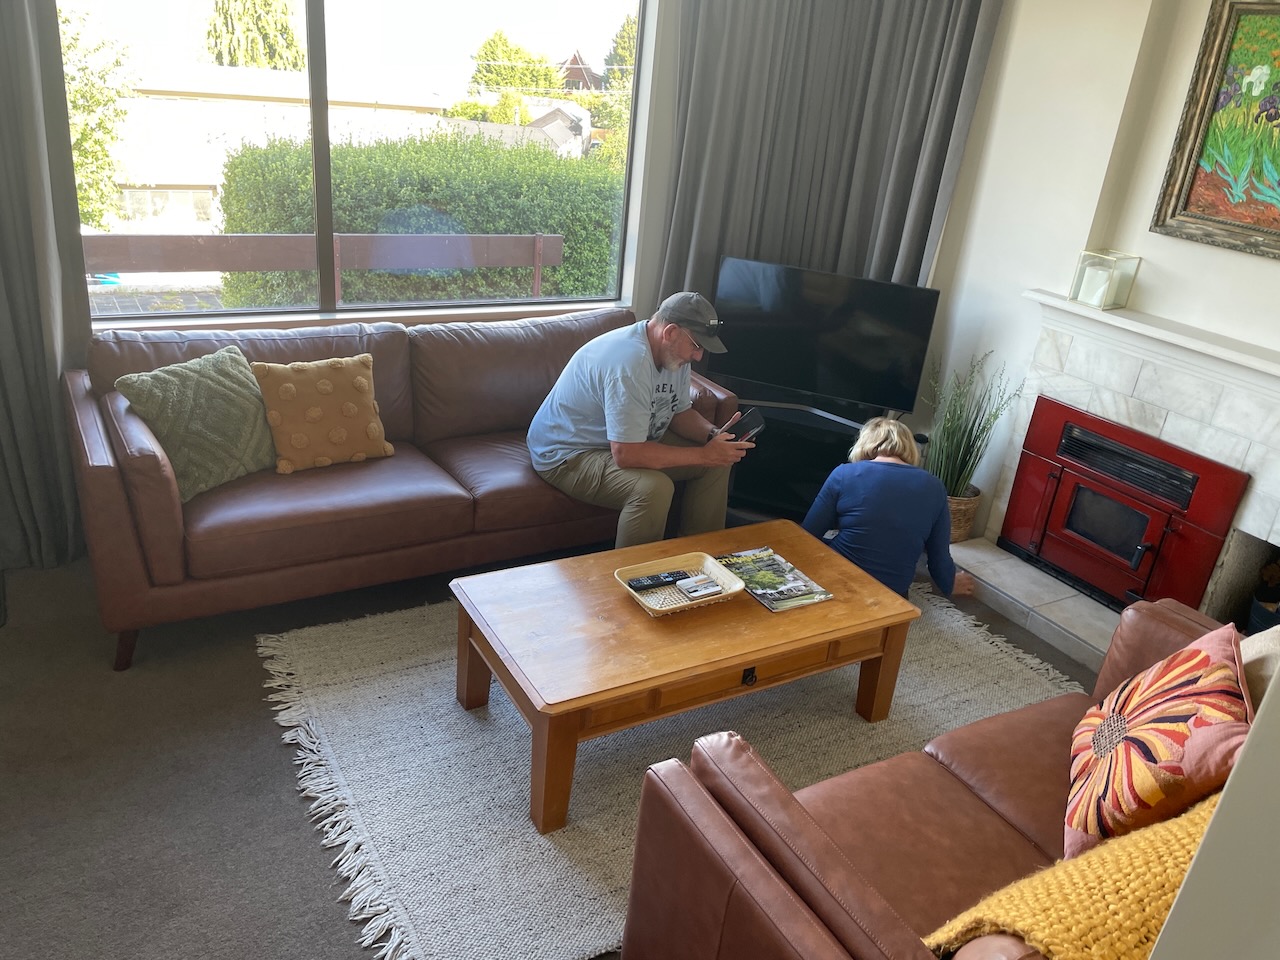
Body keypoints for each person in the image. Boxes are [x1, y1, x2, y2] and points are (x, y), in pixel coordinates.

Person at [527, 291, 755, 548]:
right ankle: (637, 571)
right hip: (568, 453)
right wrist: (703, 455)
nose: (699, 356)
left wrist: (714, 436)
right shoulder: (630, 364)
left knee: (720, 459)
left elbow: (679, 413)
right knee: (654, 489)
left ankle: (702, 557)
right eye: (696, 345)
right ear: (670, 332)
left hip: (622, 441)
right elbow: (627, 454)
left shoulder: (674, 356)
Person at [800, 416, 976, 598]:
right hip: (892, 595)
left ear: (865, 444)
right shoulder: (935, 486)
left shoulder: (844, 474)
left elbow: (807, 535)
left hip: (838, 582)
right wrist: (950, 583)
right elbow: (938, 557)